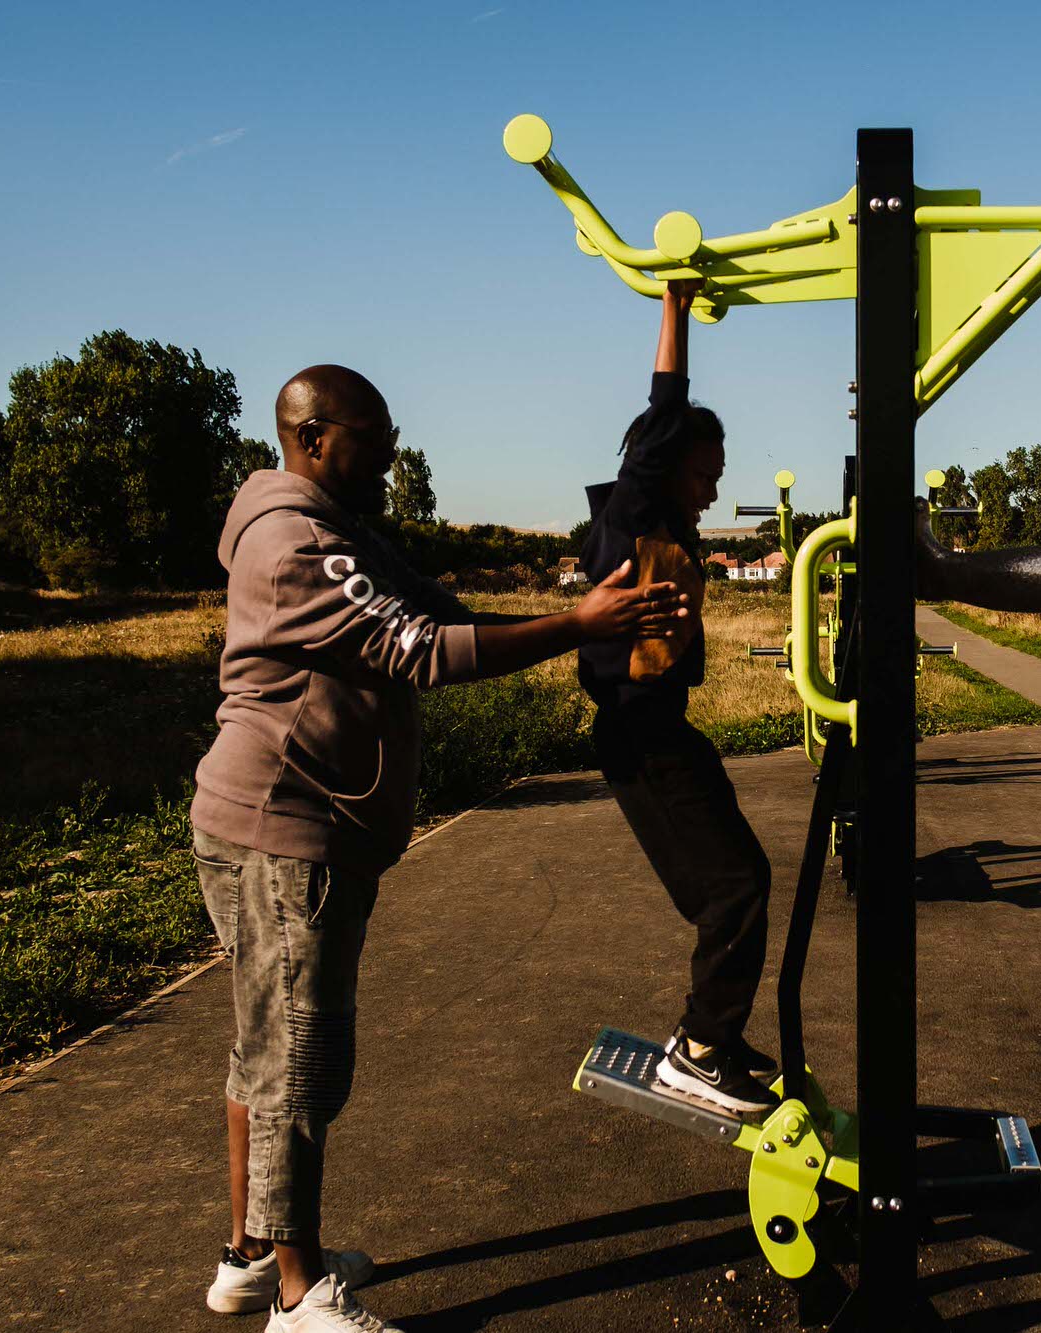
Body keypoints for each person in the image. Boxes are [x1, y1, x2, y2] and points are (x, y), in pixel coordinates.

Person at [191, 365, 687, 1331]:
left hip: (264, 821)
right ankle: (298, 1299)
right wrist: (577, 628)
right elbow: (422, 648)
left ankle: (251, 1253)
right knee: (296, 1055)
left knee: (262, 1042)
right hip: (284, 827)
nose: (392, 450)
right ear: (316, 437)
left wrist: (575, 608)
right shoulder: (299, 543)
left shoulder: (336, 529)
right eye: (376, 434)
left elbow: (438, 607)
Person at [578, 280, 780, 1116]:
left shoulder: (672, 533)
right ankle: (700, 1049)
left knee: (738, 882)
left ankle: (711, 1039)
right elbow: (665, 409)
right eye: (703, 473)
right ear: (667, 468)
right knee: (734, 888)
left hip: (667, 731)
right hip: (639, 736)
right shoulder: (633, 513)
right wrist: (677, 304)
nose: (710, 487)